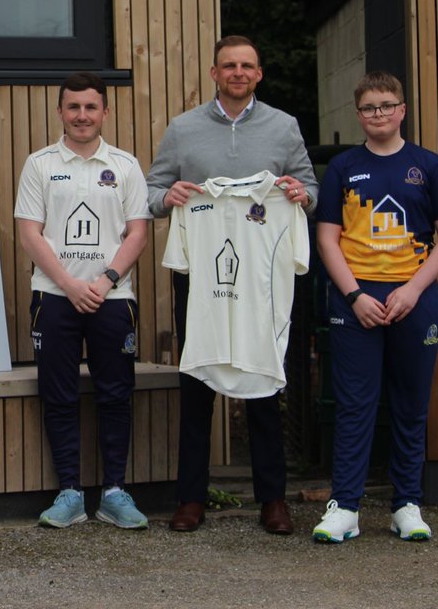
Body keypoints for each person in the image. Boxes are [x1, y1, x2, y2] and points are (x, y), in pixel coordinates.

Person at [146, 35, 316, 534]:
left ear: (258, 74)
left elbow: (311, 188)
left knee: (263, 380)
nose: (238, 72)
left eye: (247, 66)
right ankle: (190, 500)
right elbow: (154, 190)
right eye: (229, 66)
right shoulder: (183, 129)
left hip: (263, 278)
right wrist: (167, 196)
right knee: (197, 382)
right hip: (201, 276)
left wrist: (302, 193)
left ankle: (273, 500)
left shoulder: (284, 127)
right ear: (215, 72)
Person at [311, 71, 438, 543]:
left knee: (411, 404)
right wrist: (355, 295)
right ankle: (346, 507)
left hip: (413, 296)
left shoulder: (428, 165)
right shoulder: (343, 167)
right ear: (359, 115)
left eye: (386, 105)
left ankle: (406, 504)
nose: (378, 114)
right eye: (369, 108)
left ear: (402, 110)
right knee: (355, 405)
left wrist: (413, 289)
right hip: (356, 299)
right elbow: (327, 238)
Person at [15, 72, 151, 529]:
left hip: (114, 299)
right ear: (60, 112)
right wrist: (70, 284)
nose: (82, 115)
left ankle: (114, 491)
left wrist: (107, 279)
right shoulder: (39, 164)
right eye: (73, 107)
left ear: (105, 112)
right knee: (59, 395)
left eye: (91, 107)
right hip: (54, 297)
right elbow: (29, 233)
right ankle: (70, 492)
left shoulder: (127, 166)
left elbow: (138, 232)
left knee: (116, 395)